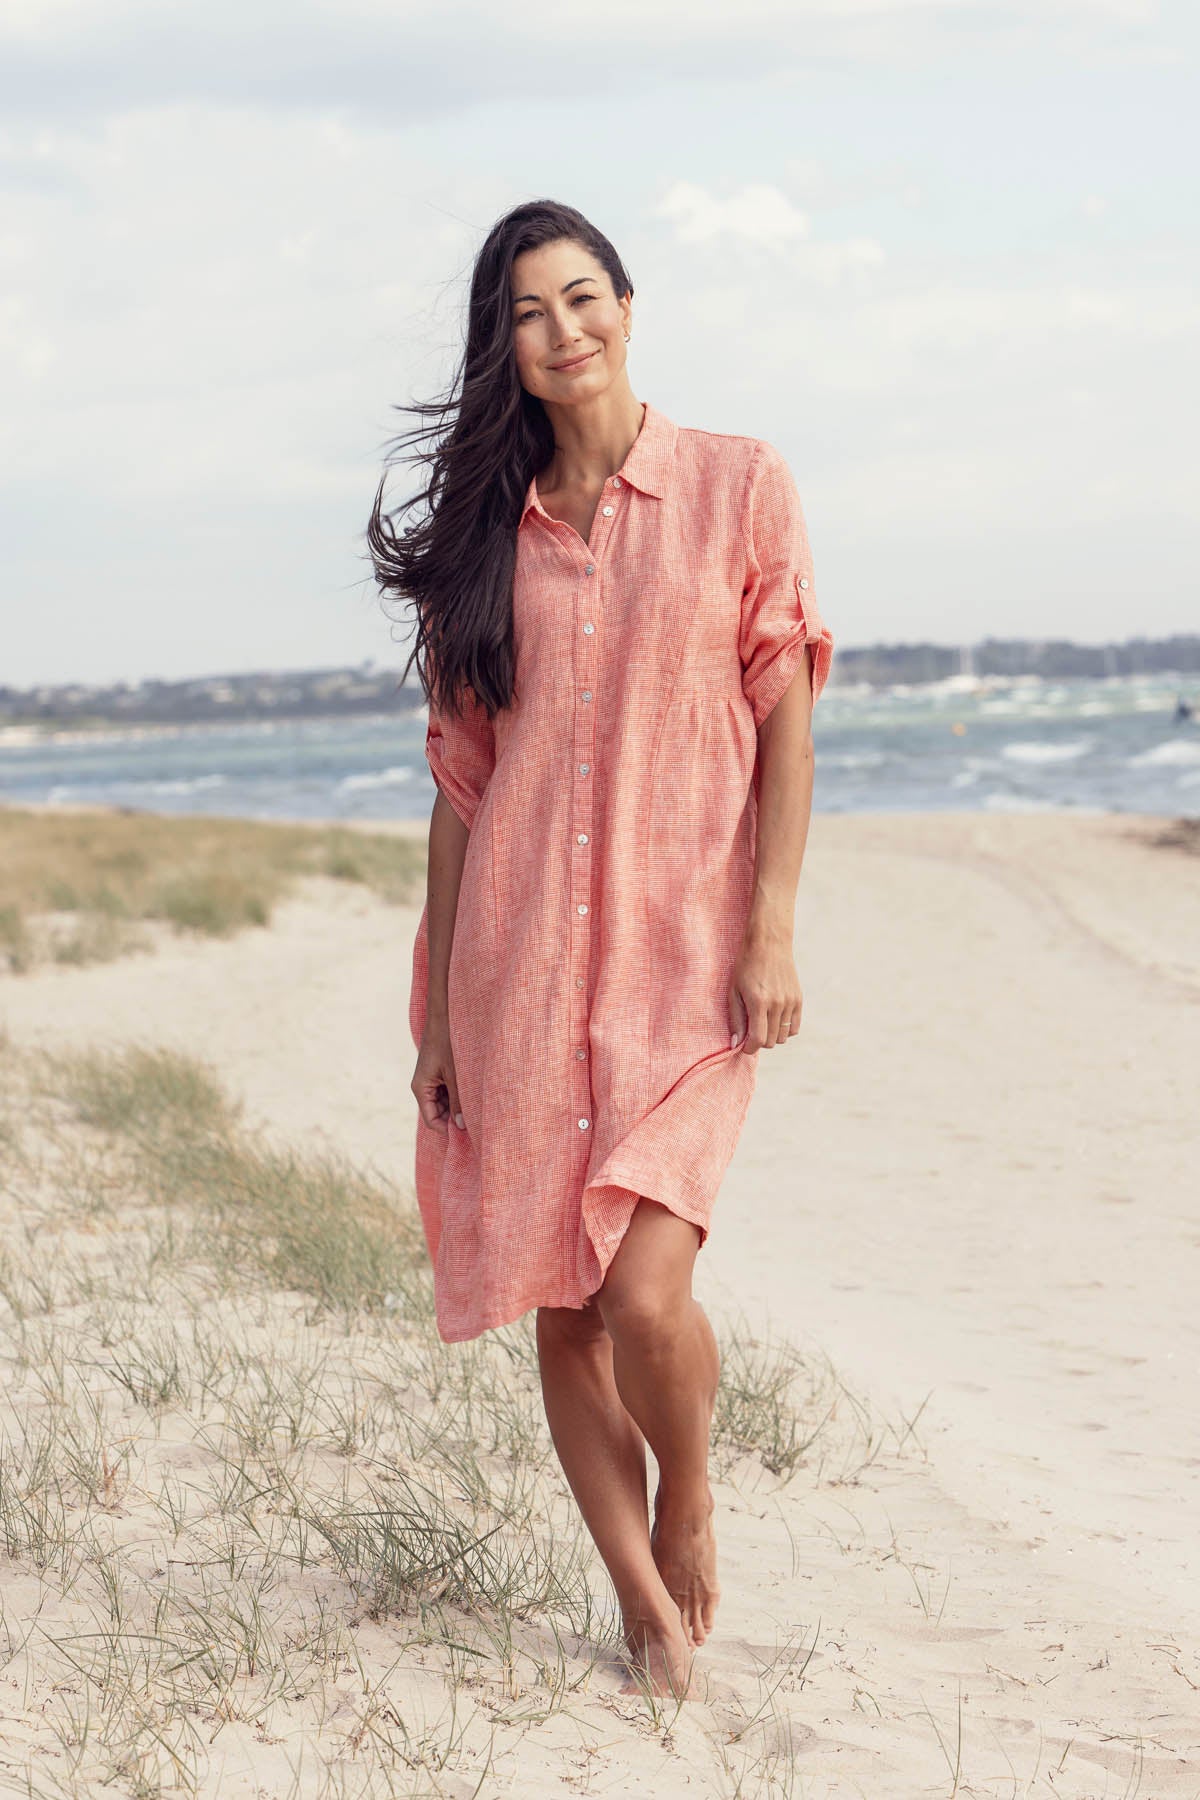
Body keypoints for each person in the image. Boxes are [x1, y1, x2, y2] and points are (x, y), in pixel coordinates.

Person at [368, 199, 834, 1700]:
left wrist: (770, 924)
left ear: (628, 306)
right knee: (566, 1316)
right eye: (527, 312)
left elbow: (784, 714)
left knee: (644, 1295)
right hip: (513, 976)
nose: (562, 330)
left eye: (582, 297)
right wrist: (439, 1016)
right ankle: (639, 1602)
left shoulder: (737, 487)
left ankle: (687, 1489)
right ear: (503, 346)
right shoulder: (483, 555)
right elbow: (461, 796)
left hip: (684, 967)